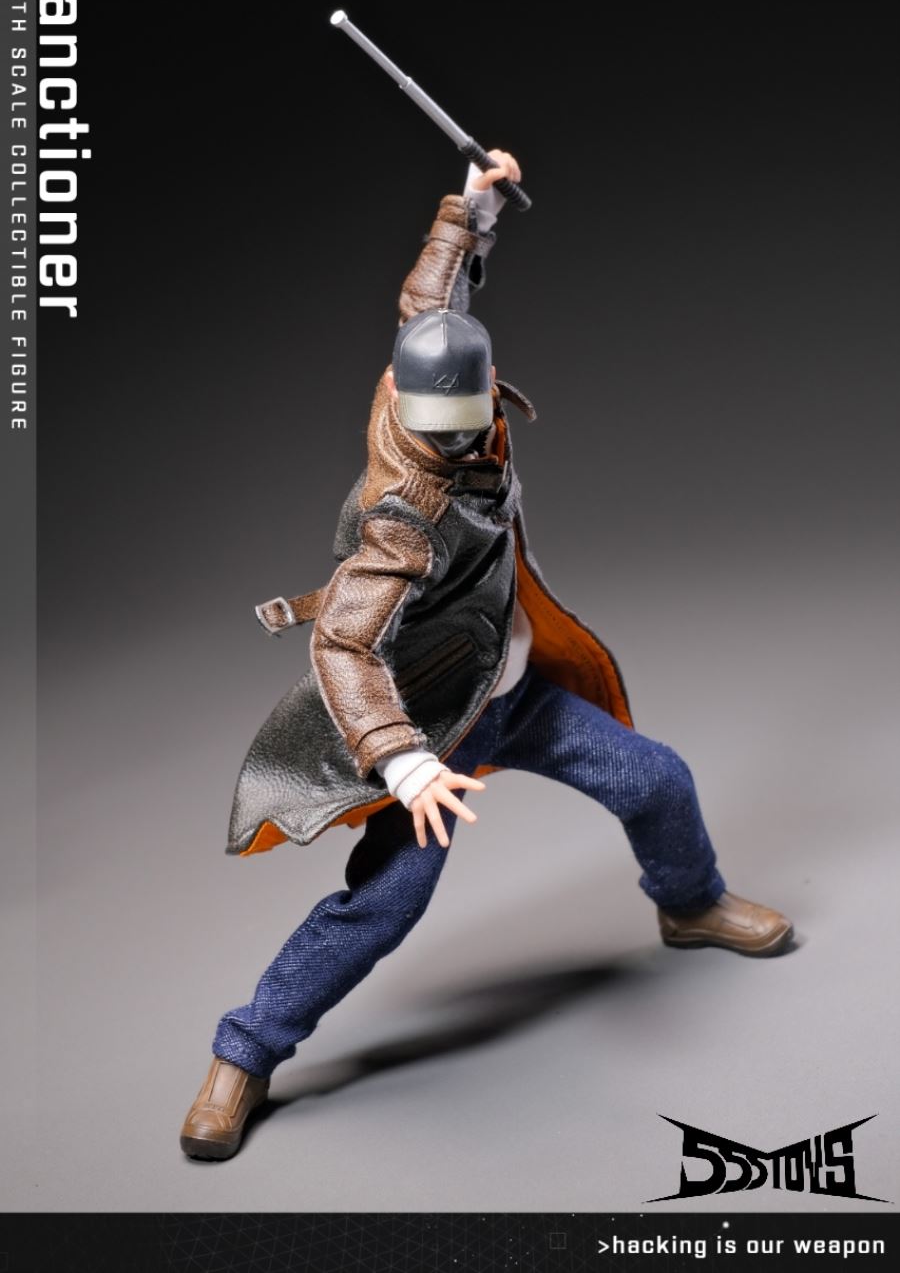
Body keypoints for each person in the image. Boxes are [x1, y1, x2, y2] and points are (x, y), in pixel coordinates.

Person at [180, 151, 793, 1161]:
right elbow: (343, 642)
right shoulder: (402, 512)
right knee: (385, 903)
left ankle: (689, 905)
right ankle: (243, 1053)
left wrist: (471, 205)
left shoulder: (435, 364)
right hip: (429, 727)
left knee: (655, 779)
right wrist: (404, 761)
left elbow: (432, 301)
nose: (464, 444)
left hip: (509, 690)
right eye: (448, 433)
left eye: (472, 422)